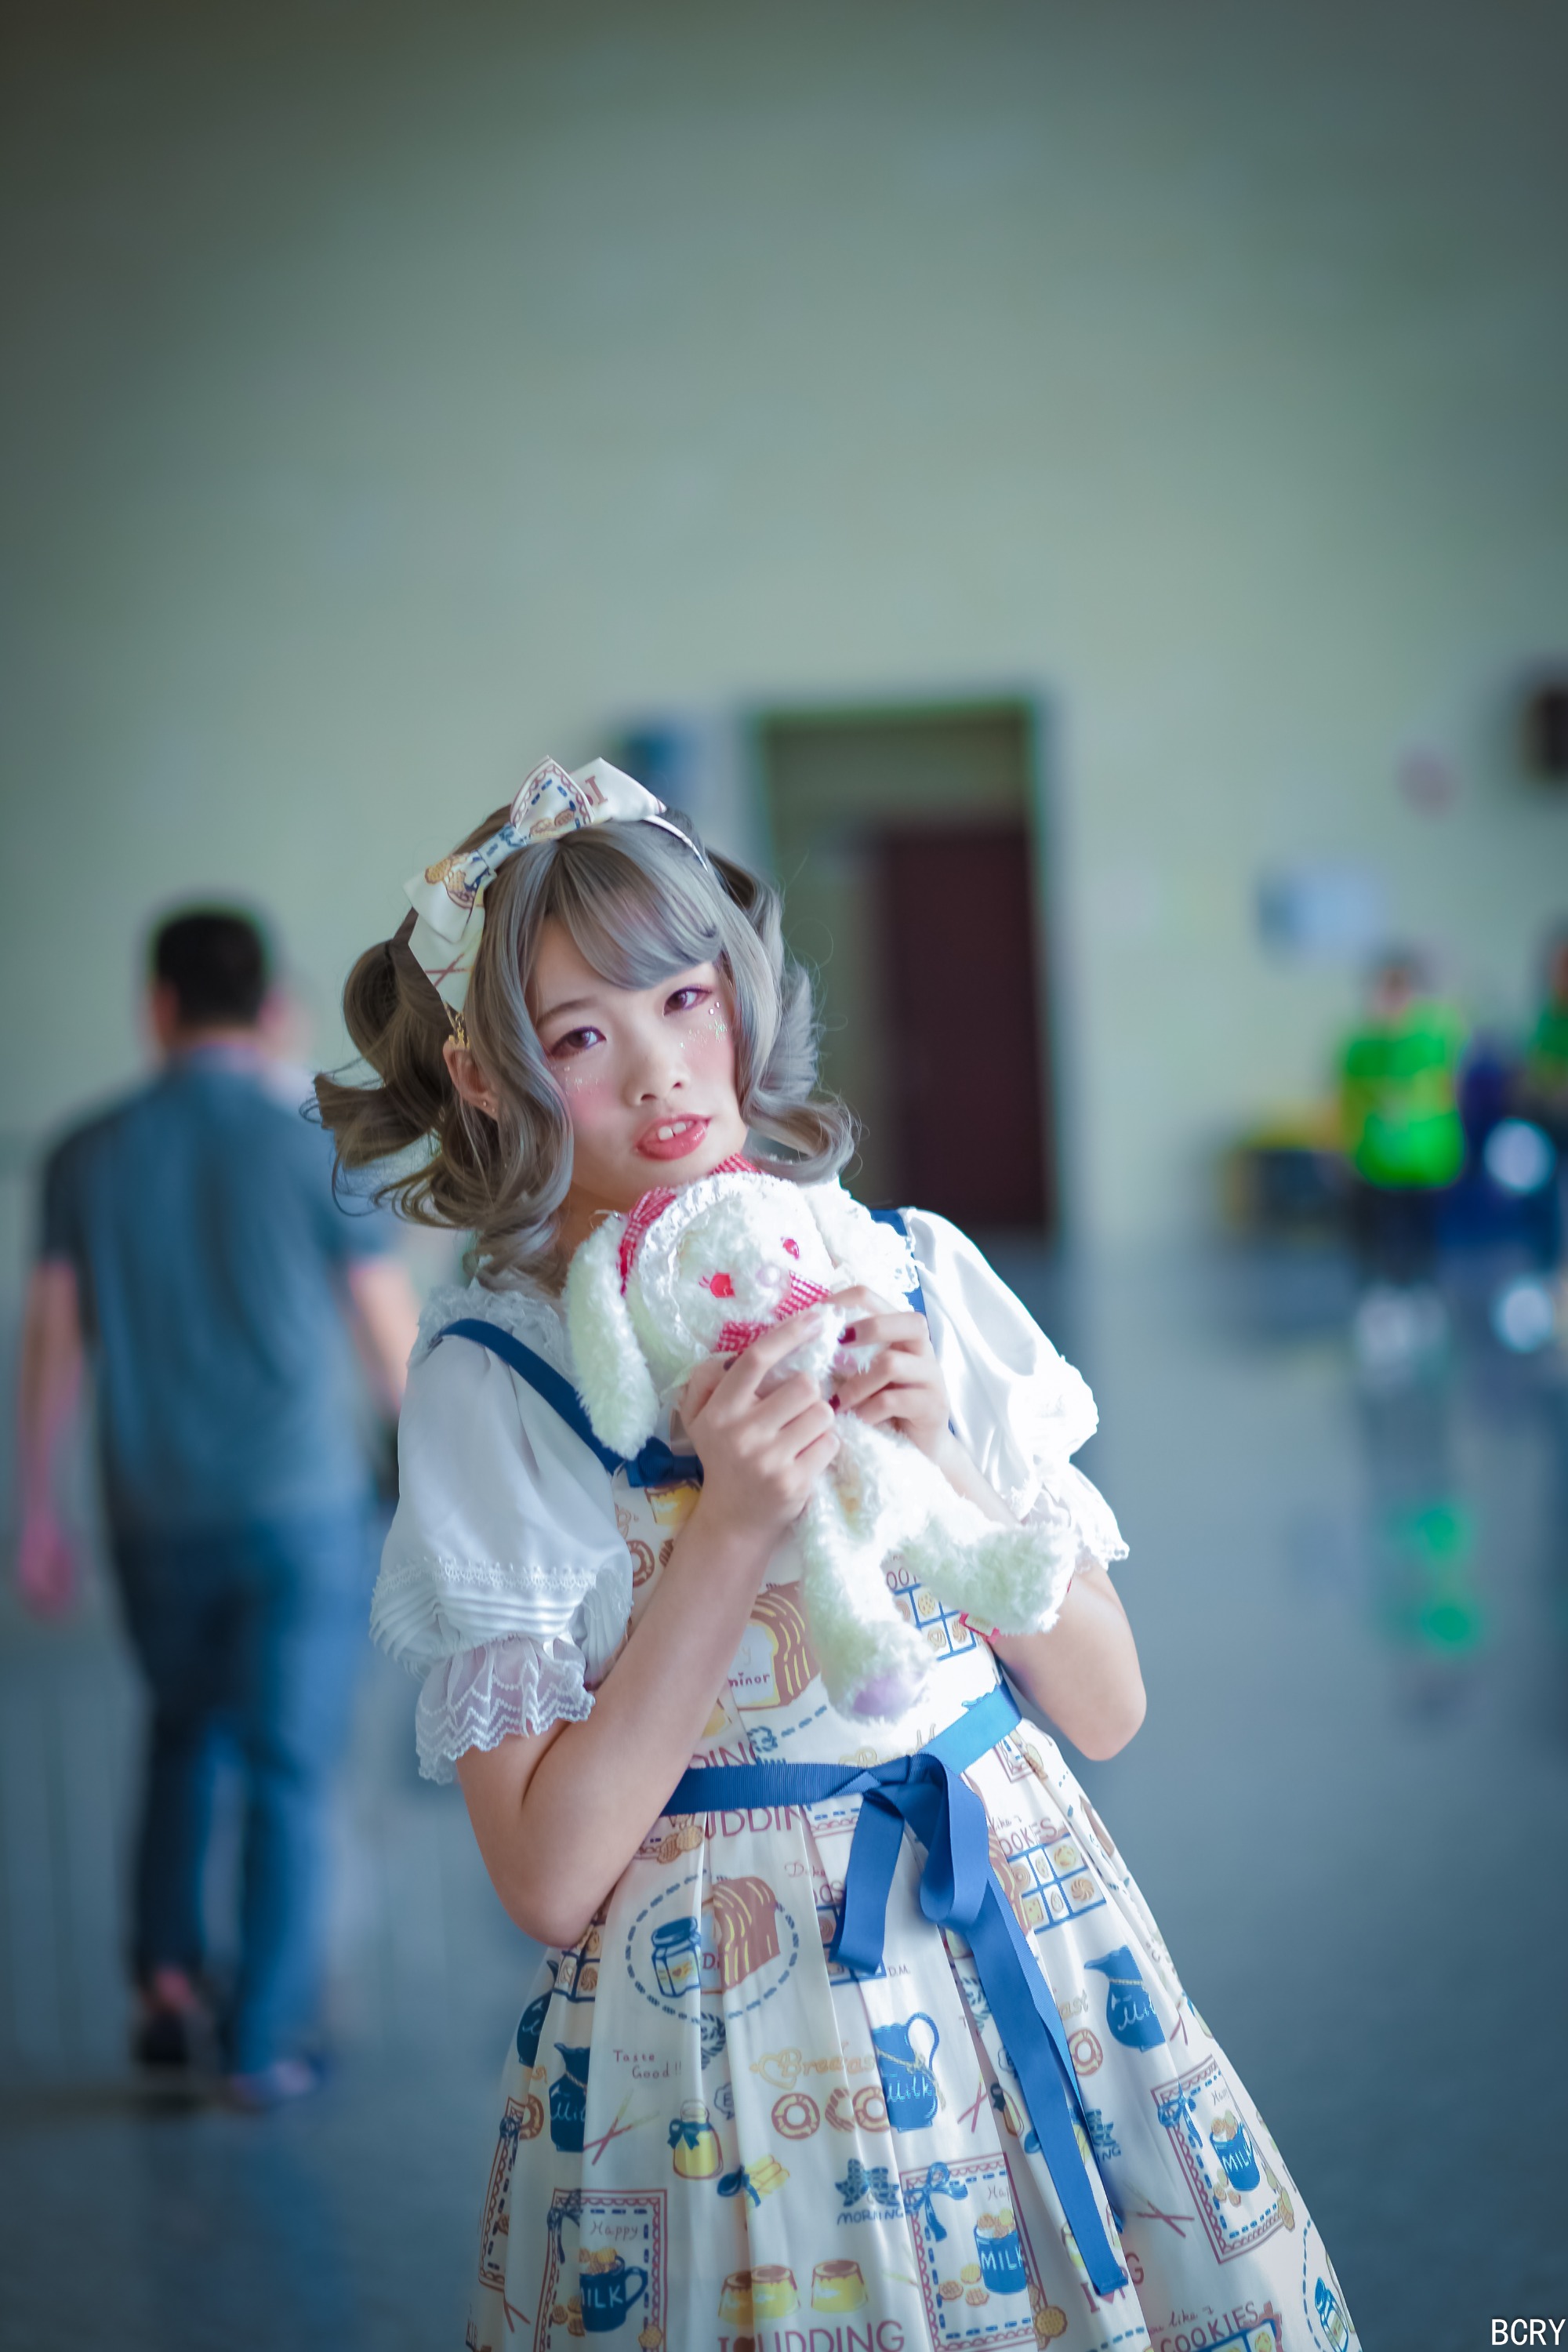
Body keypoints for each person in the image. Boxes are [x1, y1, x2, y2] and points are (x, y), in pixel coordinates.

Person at [320, 758, 1359, 2350]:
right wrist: (730, 1528)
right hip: (721, 2059)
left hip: (1029, 1935)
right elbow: (545, 1876)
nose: (664, 1073)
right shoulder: (500, 1381)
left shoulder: (912, 1270)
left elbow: (1106, 1705)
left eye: (686, 998)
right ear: (483, 1075)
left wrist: (940, 1456)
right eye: (582, 1037)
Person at [17, 906, 420, 2107]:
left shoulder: (83, 1154)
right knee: (291, 1768)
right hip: (302, 1512)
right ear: (276, 1011)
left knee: (181, 1736)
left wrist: (35, 1508)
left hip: (150, 1509)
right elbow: (389, 1342)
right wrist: (440, 1491)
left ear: (157, 1007)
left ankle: (164, 1985)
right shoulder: (322, 1140)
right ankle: (261, 2044)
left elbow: (52, 1341)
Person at [1339, 949, 1467, 1293]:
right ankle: (1380, 1295)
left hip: (1426, 1159)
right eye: (1386, 988)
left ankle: (1425, 1294)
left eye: (1400, 988)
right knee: (1379, 1237)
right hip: (1376, 1162)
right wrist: (1342, 1151)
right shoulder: (1360, 1045)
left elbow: (1450, 1089)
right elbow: (1346, 1102)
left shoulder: (1435, 1037)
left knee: (1425, 1237)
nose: (1393, 998)